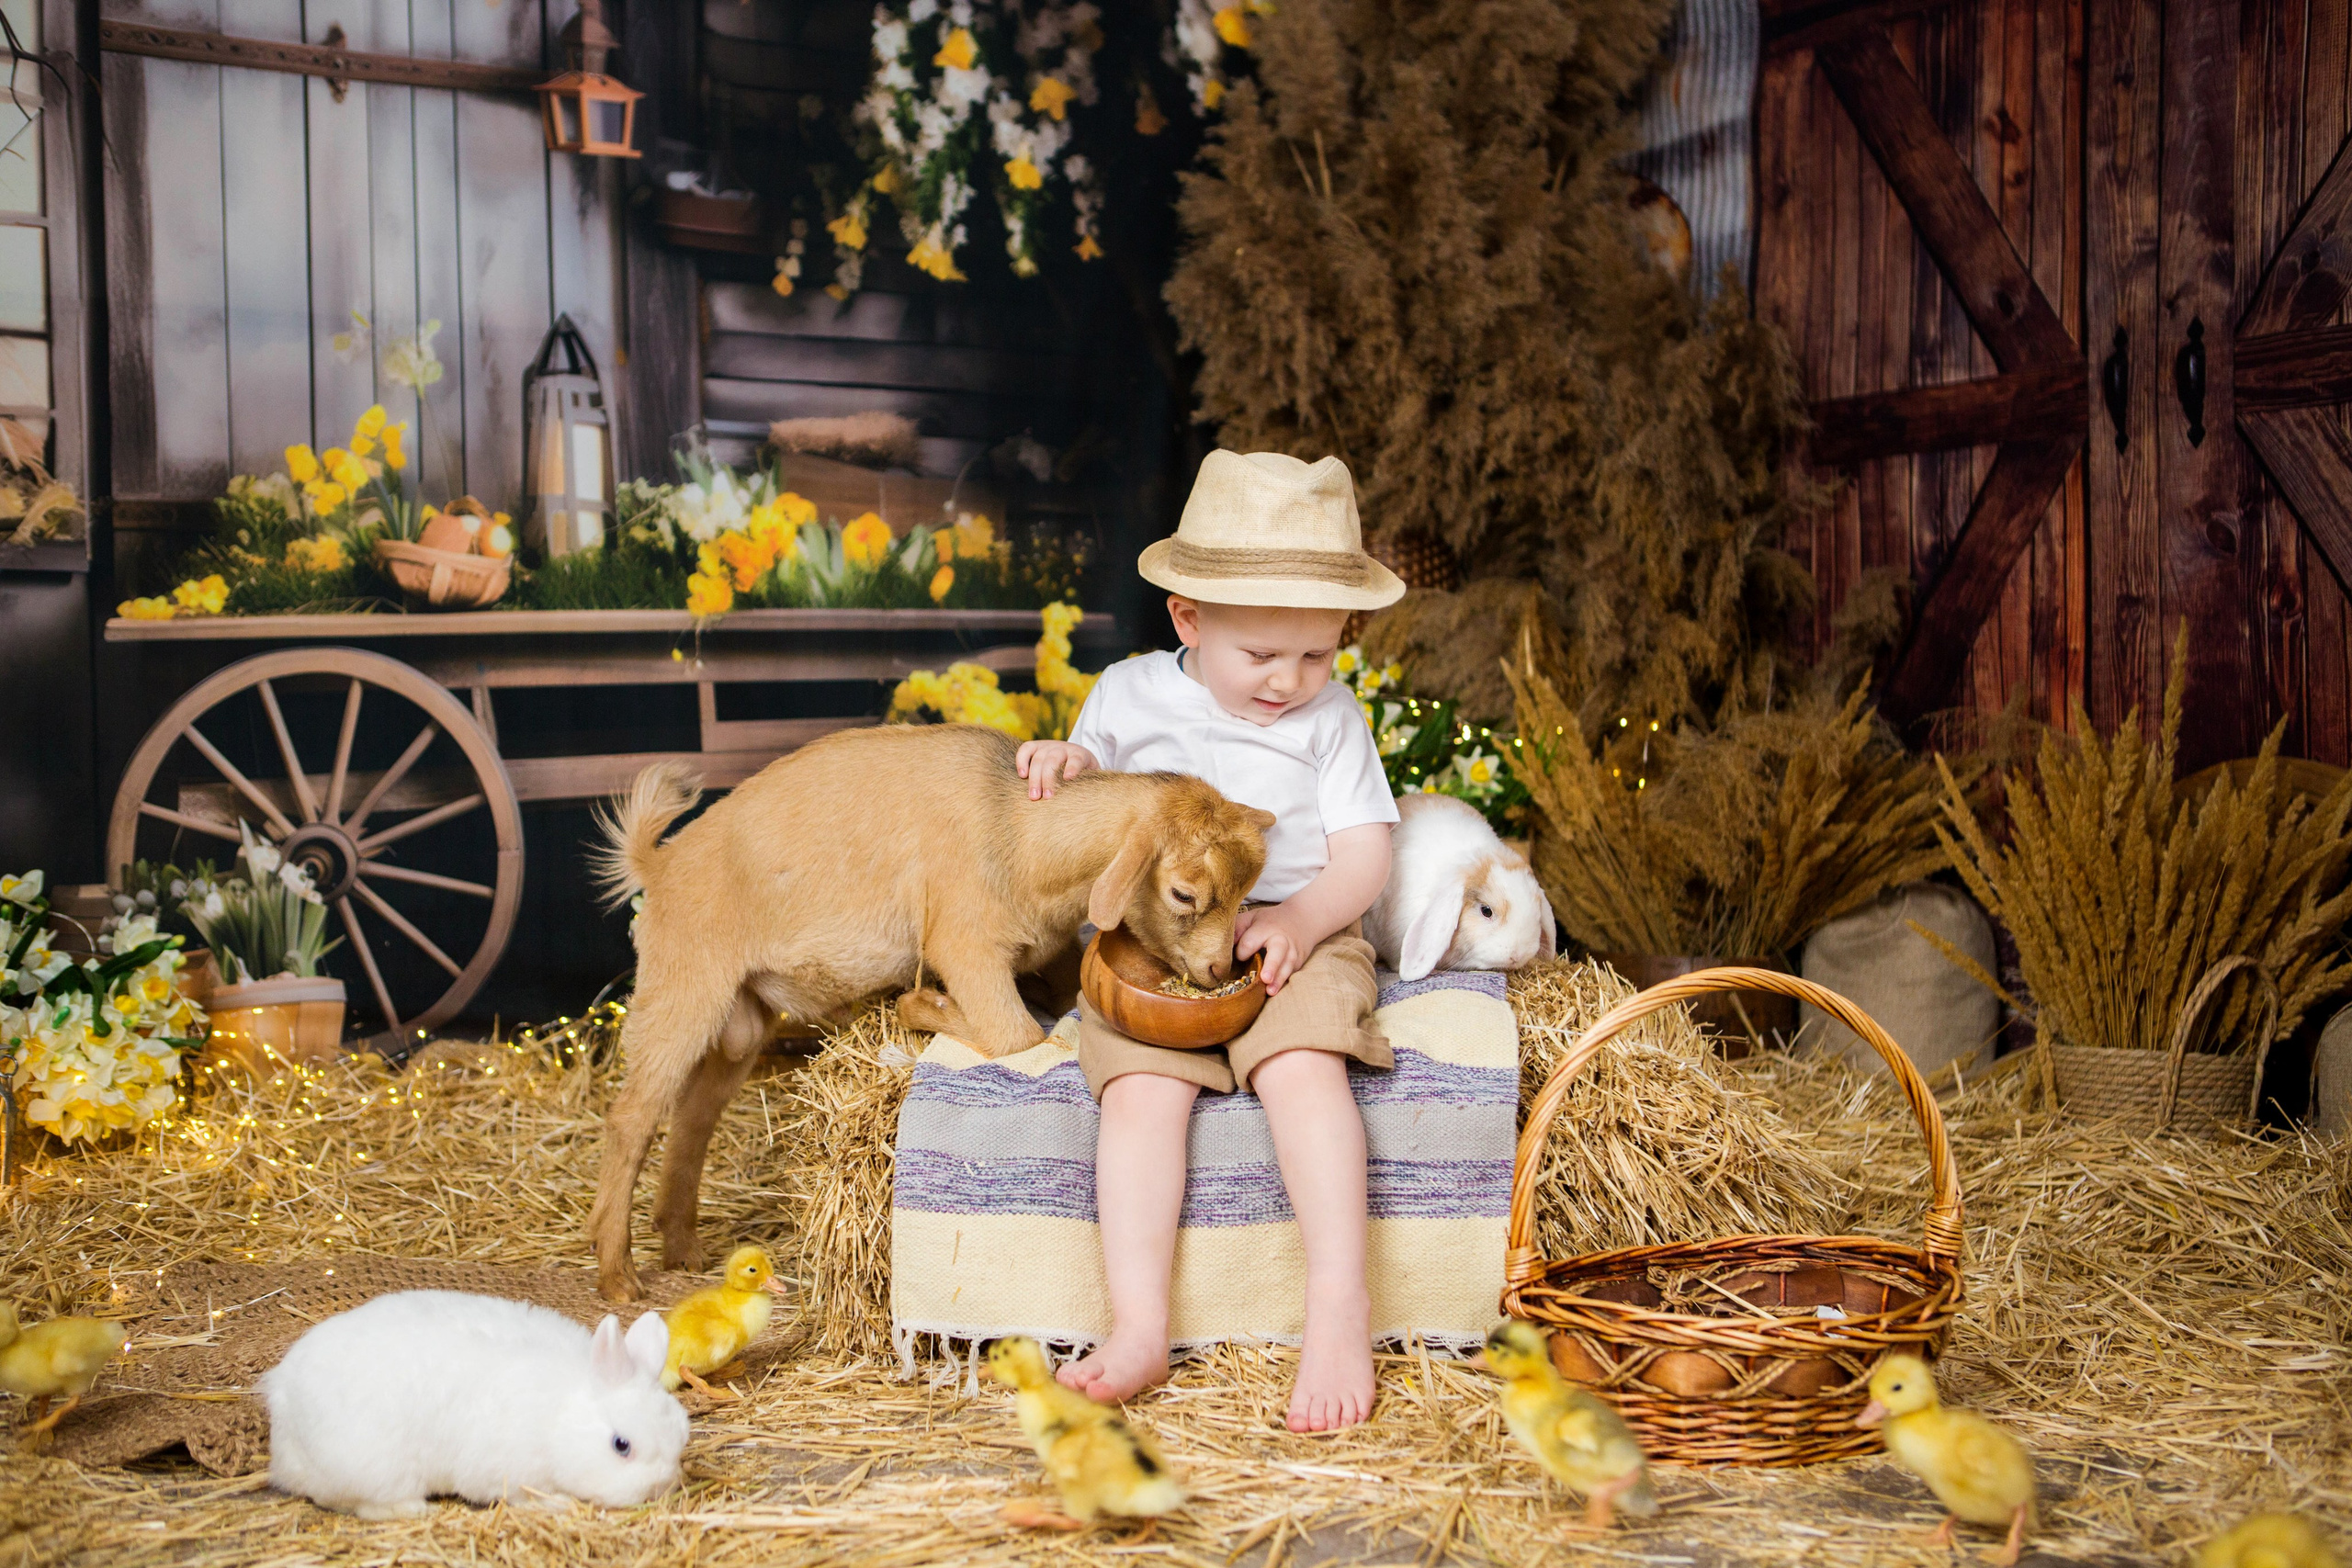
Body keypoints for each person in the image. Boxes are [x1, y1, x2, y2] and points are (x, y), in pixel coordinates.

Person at [1014, 449, 1405, 1431]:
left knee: (1303, 1070)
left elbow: (1366, 852)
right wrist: (1067, 757)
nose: (1291, 680)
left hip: (1299, 936)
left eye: (1317, 656)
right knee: (1140, 1096)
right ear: (1189, 618)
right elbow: (1093, 788)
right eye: (1263, 657)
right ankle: (1139, 1325)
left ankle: (1337, 1307)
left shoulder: (1330, 719)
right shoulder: (1131, 694)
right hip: (1159, 950)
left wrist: (1306, 918)